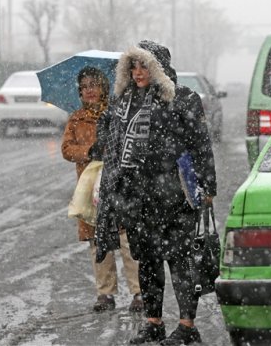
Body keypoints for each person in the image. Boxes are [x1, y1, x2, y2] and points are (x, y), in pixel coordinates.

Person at [92, 40, 217, 345]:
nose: (137, 72)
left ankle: (187, 326)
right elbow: (109, 144)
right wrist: (103, 131)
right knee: (147, 260)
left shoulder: (182, 97)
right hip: (136, 196)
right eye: (132, 66)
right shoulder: (123, 102)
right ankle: (154, 322)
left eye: (143, 65)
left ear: (158, 67)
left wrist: (208, 184)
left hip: (174, 194)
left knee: (181, 260)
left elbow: (200, 143)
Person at [61, 66, 144, 313]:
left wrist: (113, 152)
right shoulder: (76, 119)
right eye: (85, 87)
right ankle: (105, 294)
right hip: (90, 190)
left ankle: (138, 292)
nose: (90, 91)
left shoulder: (119, 113)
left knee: (126, 239)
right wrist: (88, 152)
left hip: (118, 185)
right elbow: (67, 150)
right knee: (98, 241)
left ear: (104, 88)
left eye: (94, 85)